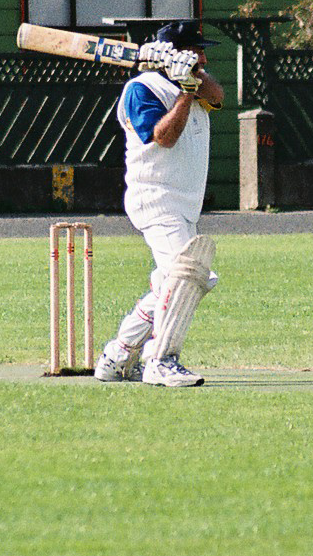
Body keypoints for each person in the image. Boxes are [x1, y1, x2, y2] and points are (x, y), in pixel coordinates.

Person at [94, 20, 225, 388]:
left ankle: (119, 354)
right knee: (191, 275)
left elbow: (219, 96)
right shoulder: (142, 88)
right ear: (175, 52)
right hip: (156, 199)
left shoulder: (195, 82)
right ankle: (161, 360)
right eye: (195, 50)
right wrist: (183, 91)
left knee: (169, 283)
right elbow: (163, 138)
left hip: (184, 204)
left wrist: (191, 77)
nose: (202, 56)